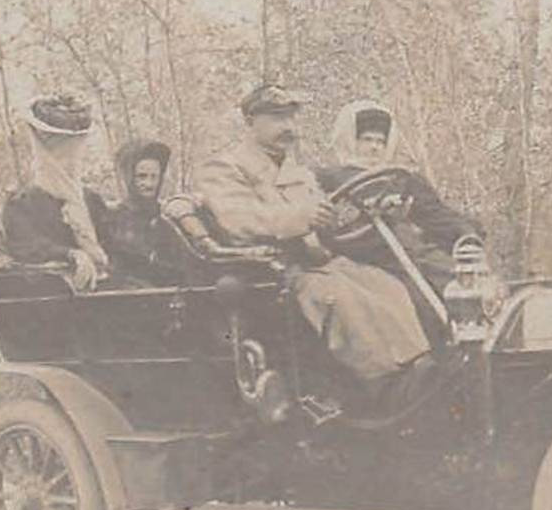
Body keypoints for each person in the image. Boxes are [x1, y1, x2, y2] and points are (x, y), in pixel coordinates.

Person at [194, 83, 434, 409]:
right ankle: (383, 386)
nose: (288, 127)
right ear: (250, 121)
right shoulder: (224, 168)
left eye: (292, 118)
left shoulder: (299, 172)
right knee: (338, 297)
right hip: (272, 272)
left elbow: (327, 218)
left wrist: (374, 212)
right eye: (278, 118)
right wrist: (300, 217)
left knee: (386, 285)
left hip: (317, 260)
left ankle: (415, 368)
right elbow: (239, 220)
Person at [317, 98, 483, 293]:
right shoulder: (326, 180)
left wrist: (466, 232)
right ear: (350, 140)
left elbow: (436, 214)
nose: (374, 147)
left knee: (456, 283)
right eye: (366, 139)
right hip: (354, 257)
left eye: (380, 141)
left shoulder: (402, 179)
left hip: (407, 255)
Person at [1, 95, 112, 291]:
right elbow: (26, 246)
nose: (71, 159)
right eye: (62, 150)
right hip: (55, 296)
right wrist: (71, 254)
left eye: (75, 149)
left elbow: (112, 241)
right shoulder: (23, 203)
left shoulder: (91, 200)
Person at [94, 138, 183, 288]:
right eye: (141, 177)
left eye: (154, 176)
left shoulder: (168, 217)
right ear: (129, 178)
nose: (149, 184)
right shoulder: (111, 218)